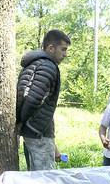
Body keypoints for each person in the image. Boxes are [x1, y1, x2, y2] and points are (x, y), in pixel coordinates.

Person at [16, 29, 71, 171]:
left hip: (30, 130)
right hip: (37, 131)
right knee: (45, 179)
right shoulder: (48, 66)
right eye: (63, 49)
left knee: (34, 176)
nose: (65, 54)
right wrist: (22, 121)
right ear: (51, 48)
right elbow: (34, 99)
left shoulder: (34, 63)